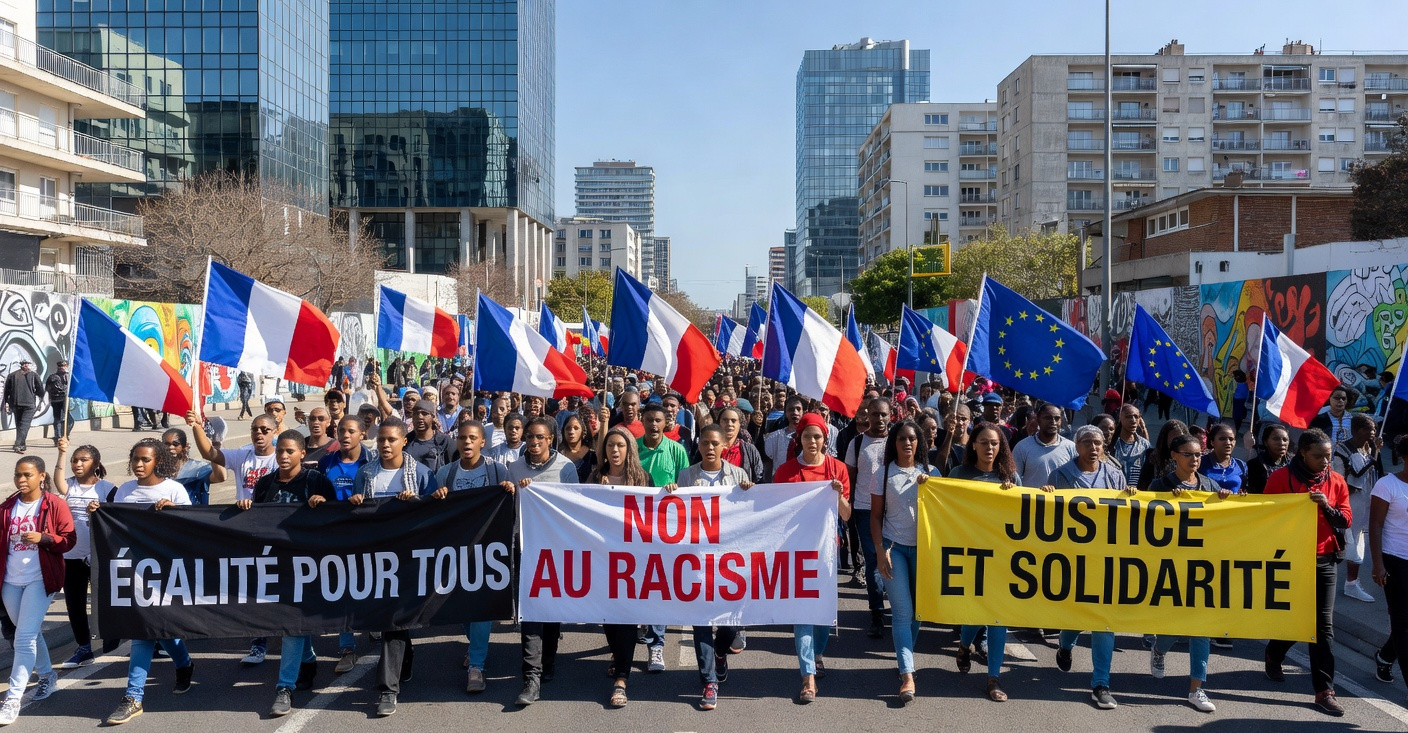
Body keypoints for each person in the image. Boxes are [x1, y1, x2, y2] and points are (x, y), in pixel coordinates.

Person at [241, 431, 336, 717]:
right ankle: (307, 660)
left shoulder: (316, 481)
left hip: (307, 565)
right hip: (275, 564)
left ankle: (284, 687)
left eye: (290, 451)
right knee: (286, 621)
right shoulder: (265, 483)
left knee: (292, 622)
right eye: (280, 451)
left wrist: (324, 505)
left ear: (302, 454)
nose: (283, 456)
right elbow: (256, 521)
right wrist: (243, 508)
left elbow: (336, 520)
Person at [102, 439, 195, 725]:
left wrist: (172, 513)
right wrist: (99, 512)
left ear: (159, 462)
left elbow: (194, 529)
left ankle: (181, 664)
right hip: (134, 571)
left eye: (145, 459)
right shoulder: (125, 491)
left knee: (159, 627)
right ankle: (135, 696)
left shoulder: (174, 490)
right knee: (144, 629)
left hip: (166, 570)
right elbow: (113, 526)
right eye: (135, 459)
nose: (139, 465)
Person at [350, 419, 438, 717]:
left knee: (393, 621)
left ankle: (389, 690)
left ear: (403, 441)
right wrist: (356, 502)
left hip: (410, 561)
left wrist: (418, 502)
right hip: (377, 561)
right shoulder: (365, 474)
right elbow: (354, 515)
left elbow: (438, 513)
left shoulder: (422, 474)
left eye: (391, 440)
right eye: (381, 441)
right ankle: (404, 661)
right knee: (394, 621)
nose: (385, 445)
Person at [1264, 428, 1352, 716]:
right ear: (1302, 453)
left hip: (1325, 559)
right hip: (1290, 559)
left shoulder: (1336, 481)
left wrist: (1325, 506)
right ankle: (1274, 653)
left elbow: (1347, 520)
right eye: (1318, 456)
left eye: (1328, 456)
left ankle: (1324, 691)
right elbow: (1265, 515)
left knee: (1322, 626)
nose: (1325, 461)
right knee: (1296, 618)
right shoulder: (1279, 478)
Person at [1045, 426, 1131, 709]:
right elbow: (1046, 517)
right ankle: (1065, 645)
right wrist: (1046, 496)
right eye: (1087, 442)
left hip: (1105, 560)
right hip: (1072, 558)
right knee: (1079, 617)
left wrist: (1130, 496)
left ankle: (1101, 683)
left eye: (1098, 443)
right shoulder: (1060, 476)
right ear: (1076, 446)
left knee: (1103, 621)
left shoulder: (1115, 476)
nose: (1094, 447)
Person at [1146, 434, 1232, 713]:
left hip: (1201, 567)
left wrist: (1227, 501)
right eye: (1188, 454)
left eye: (1198, 455)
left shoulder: (1209, 485)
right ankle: (1160, 649)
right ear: (1174, 456)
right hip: (1170, 566)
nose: (1194, 460)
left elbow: (1223, 522)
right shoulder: (1160, 485)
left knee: (1201, 629)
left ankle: (1197, 688)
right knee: (1178, 626)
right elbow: (1144, 521)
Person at [186, 409, 278, 665]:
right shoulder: (243, 455)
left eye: (264, 430)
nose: (258, 433)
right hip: (245, 532)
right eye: (254, 429)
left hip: (273, 531)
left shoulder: (280, 459)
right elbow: (210, 455)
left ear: (274, 432)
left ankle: (296, 641)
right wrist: (195, 427)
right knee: (253, 588)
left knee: (276, 588)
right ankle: (258, 642)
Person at [676, 424, 756, 711]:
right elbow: (677, 515)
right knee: (701, 622)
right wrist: (673, 491)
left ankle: (720, 653)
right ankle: (709, 680)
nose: (710, 448)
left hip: (729, 562)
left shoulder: (739, 476)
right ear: (698, 446)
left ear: (725, 446)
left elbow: (749, 517)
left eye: (715, 443)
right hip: (697, 560)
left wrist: (751, 492)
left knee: (729, 622)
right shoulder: (686, 475)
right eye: (705, 443)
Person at [772, 414, 850, 704]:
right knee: (803, 613)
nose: (813, 442)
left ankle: (816, 654)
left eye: (817, 437)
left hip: (827, 549)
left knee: (823, 613)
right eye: (808, 436)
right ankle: (808, 676)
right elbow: (773, 509)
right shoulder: (786, 471)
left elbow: (846, 515)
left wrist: (839, 495)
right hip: (796, 550)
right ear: (799, 438)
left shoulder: (838, 469)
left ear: (825, 440)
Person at [432, 419, 511, 694]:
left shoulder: (498, 470)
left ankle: (477, 664)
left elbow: (508, 509)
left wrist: (509, 493)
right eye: (462, 438)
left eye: (472, 438)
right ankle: (475, 644)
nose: (466, 443)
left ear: (482, 442)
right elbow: (432, 512)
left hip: (488, 553)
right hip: (455, 552)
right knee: (460, 607)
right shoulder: (445, 474)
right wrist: (437, 496)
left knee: (481, 608)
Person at [505, 417, 579, 707]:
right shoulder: (514, 468)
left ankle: (548, 660)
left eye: (540, 438)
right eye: (530, 437)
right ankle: (531, 677)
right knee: (531, 612)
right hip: (526, 550)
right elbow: (508, 510)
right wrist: (512, 491)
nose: (534, 443)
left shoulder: (566, 468)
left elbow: (573, 505)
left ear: (551, 440)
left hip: (556, 551)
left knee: (551, 612)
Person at [0, 452, 75, 725]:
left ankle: (13, 698)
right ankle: (47, 676)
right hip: (10, 580)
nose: (21, 479)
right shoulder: (8, 507)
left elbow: (68, 540)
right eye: (18, 474)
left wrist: (43, 538)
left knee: (23, 638)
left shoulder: (54, 505)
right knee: (27, 634)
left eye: (27, 474)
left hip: (40, 579)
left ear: (41, 476)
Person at [949, 422, 1018, 701]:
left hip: (1002, 557)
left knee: (997, 618)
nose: (990, 448)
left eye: (995, 443)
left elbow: (1024, 512)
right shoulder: (958, 473)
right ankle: (965, 646)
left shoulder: (1011, 475)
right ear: (973, 444)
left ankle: (993, 679)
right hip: (970, 555)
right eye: (984, 442)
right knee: (976, 614)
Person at [588, 426, 652, 708]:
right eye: (610, 445)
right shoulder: (595, 477)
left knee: (626, 617)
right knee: (609, 616)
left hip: (632, 560)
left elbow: (653, 514)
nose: (614, 450)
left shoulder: (642, 479)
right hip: (603, 558)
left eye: (620, 446)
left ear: (629, 449)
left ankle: (622, 680)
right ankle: (618, 656)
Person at [871, 419, 934, 706]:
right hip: (893, 548)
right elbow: (874, 516)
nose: (907, 443)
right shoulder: (882, 473)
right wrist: (879, 550)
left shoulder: (932, 473)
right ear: (893, 443)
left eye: (912, 438)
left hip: (925, 552)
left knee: (918, 613)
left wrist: (931, 486)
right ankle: (907, 673)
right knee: (901, 613)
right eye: (901, 439)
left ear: (919, 442)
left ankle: (904, 651)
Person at [634, 403, 691, 676]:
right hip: (634, 526)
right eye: (649, 420)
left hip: (666, 528)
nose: (654, 425)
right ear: (642, 421)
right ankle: (640, 623)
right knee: (635, 579)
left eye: (658, 420)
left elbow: (687, 488)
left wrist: (675, 489)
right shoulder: (632, 447)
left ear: (666, 421)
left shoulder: (677, 450)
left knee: (657, 584)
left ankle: (656, 644)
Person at [52, 439, 112, 670]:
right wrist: (61, 453)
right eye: (74, 460)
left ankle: (112, 640)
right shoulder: (68, 486)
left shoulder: (107, 489)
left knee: (105, 602)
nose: (77, 464)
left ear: (95, 463)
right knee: (74, 604)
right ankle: (84, 648)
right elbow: (58, 481)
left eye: (83, 460)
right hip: (71, 557)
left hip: (98, 557)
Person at [846, 397, 890, 637]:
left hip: (893, 510)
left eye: (884, 414)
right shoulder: (856, 444)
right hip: (864, 509)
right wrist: (848, 506)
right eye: (875, 414)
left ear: (890, 415)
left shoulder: (897, 441)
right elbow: (850, 477)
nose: (879, 419)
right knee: (874, 560)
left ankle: (900, 610)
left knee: (894, 559)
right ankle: (877, 613)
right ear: (867, 416)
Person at [1370, 453, 1408, 687]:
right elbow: (1375, 525)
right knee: (1403, 625)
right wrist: (1377, 564)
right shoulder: (1387, 485)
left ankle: (1385, 657)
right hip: (1395, 561)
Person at [1336, 414, 1380, 603]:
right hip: (1349, 502)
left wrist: (1375, 453)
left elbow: (1376, 472)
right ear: (1357, 430)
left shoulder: (1366, 449)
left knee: (1357, 541)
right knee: (1347, 542)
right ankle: (1349, 583)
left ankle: (1351, 583)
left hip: (1364, 503)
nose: (1373, 432)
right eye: (1370, 429)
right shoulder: (1343, 449)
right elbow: (1342, 480)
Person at [1012, 404, 1076, 489]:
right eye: (1048, 418)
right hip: (1032, 501)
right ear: (1038, 419)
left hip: (1061, 501)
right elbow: (1014, 479)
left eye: (1057, 418)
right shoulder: (1022, 447)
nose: (1053, 422)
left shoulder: (1071, 447)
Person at [1137, 419, 1190, 491]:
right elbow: (1143, 485)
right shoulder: (1152, 457)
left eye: (1180, 438)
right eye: (1173, 438)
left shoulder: (1189, 458)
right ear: (1165, 438)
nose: (1177, 441)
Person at [164, 429, 213, 506]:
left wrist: (213, 453)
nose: (170, 447)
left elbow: (221, 477)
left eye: (175, 444)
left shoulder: (198, 468)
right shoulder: (157, 469)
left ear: (185, 446)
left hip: (192, 514)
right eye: (166, 444)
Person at [2, 360, 43, 453]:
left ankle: (22, 444)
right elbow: (40, 389)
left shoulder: (12, 375)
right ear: (22, 365)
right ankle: (18, 444)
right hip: (28, 404)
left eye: (27, 364)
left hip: (16, 403)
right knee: (24, 425)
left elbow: (6, 391)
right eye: (25, 364)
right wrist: (40, 397)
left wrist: (7, 402)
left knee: (20, 425)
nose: (26, 365)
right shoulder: (33, 375)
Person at [717, 407, 764, 483]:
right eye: (725, 420)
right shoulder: (709, 447)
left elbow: (759, 478)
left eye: (733, 421)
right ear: (719, 423)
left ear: (739, 424)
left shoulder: (750, 450)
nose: (729, 424)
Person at [763, 395, 806, 478]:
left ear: (803, 412)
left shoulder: (810, 437)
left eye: (798, 409)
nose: (795, 412)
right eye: (791, 409)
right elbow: (768, 461)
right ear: (785, 413)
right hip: (781, 482)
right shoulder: (774, 437)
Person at [1199, 423, 1248, 495]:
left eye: (1231, 439)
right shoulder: (1200, 463)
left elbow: (1245, 490)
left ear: (1234, 442)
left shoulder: (1241, 465)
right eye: (1222, 439)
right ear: (1212, 442)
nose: (1228, 442)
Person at [406, 400, 454, 473]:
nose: (420, 417)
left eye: (424, 413)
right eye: (416, 414)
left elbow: (453, 468)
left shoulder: (444, 442)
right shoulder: (406, 442)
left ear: (433, 417)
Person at [1244, 423, 1291, 495]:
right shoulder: (1254, 465)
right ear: (1265, 442)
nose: (1281, 443)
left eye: (1285, 440)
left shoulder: (1293, 464)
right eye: (1276, 439)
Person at [1110, 404, 1151, 486]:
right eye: (1128, 417)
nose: (1133, 420)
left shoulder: (1145, 445)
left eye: (1136, 417)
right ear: (1120, 418)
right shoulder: (1112, 443)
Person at [559, 412, 597, 479]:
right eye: (568, 428)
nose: (571, 432)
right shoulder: (557, 456)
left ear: (584, 433)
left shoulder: (593, 457)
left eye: (576, 428)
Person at [44, 359, 71, 444]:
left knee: (64, 419)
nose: (62, 368)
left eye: (64, 366)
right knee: (60, 419)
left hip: (63, 399)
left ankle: (62, 436)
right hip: (58, 399)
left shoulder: (68, 376)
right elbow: (49, 389)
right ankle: (60, 437)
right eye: (61, 366)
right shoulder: (54, 377)